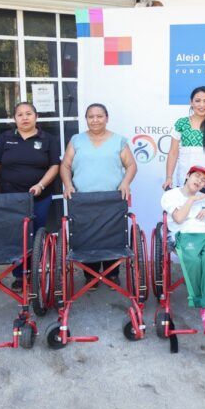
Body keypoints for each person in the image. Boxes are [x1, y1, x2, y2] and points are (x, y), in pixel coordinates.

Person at [0, 102, 60, 290]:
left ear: (36, 117)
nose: (25, 118)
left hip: (39, 197)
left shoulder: (48, 139)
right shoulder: (5, 138)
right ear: (14, 118)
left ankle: (36, 271)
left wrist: (41, 185)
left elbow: (55, 166)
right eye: (20, 114)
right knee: (16, 236)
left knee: (36, 233)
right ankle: (20, 275)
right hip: (11, 199)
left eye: (29, 114)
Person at [60, 103, 137, 287]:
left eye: (99, 116)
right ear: (86, 119)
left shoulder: (118, 140)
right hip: (83, 199)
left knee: (112, 234)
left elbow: (131, 165)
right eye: (91, 116)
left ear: (107, 118)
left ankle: (112, 273)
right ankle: (90, 275)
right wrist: (68, 184)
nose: (95, 120)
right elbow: (65, 166)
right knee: (87, 235)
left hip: (112, 199)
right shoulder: (76, 140)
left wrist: (125, 182)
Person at [160, 165, 205, 332]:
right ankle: (200, 301)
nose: (199, 181)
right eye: (197, 176)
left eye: (203, 180)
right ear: (187, 176)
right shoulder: (170, 195)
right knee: (194, 260)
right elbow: (179, 218)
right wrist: (192, 199)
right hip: (185, 233)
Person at [162, 86, 205, 209]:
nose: (202, 105)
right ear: (191, 102)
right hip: (185, 184)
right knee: (184, 221)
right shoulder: (181, 123)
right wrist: (169, 177)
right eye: (197, 100)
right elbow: (173, 152)